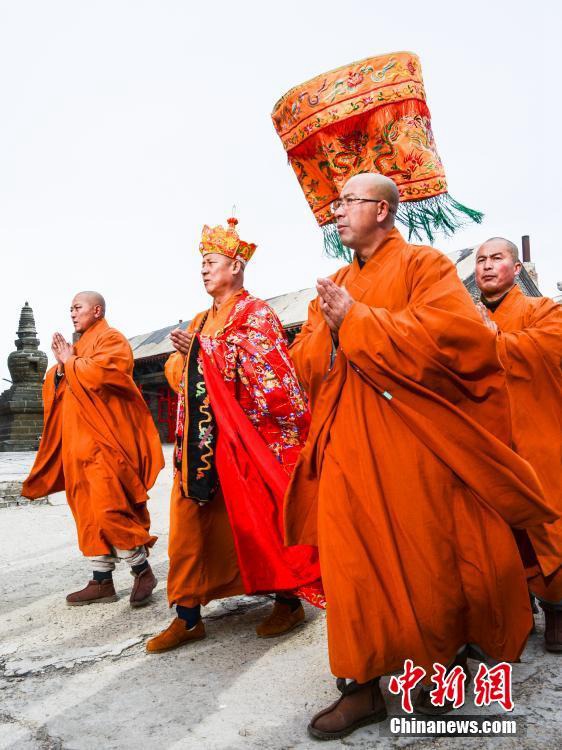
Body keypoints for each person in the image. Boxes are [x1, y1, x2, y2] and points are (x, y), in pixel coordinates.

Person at [283, 174, 557, 740]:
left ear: (382, 210)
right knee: (352, 568)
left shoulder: (425, 267)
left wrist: (357, 321)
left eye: (347, 203)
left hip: (413, 446)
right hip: (347, 448)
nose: (335, 214)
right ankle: (359, 686)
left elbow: (455, 340)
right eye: (335, 205)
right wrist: (331, 333)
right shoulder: (334, 281)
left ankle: (428, 679)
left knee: (424, 564)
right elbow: (304, 361)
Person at [146, 217, 322, 654]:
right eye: (201, 263)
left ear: (236, 266)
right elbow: (176, 372)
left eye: (212, 262)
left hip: (248, 439)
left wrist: (205, 352)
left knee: (263, 518)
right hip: (201, 441)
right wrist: (189, 358)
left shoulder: (255, 312)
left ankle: (288, 599)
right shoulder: (201, 318)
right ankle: (187, 617)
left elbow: (271, 373)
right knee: (190, 525)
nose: (204, 270)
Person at [23, 291, 164, 606]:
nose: (72, 312)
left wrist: (71, 361)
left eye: (78, 307)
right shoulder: (80, 346)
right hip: (76, 445)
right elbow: (57, 385)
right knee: (85, 511)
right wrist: (59, 370)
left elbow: (105, 375)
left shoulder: (112, 339)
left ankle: (142, 570)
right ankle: (101, 580)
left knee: (109, 507)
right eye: (70, 308)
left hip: (103, 444)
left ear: (97, 310)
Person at [475, 237, 562, 652]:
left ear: (515, 268)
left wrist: (493, 339)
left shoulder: (541, 309)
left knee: (547, 523)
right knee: (499, 534)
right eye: (481, 260)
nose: (488, 266)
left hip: (536, 434)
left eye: (497, 258)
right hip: (488, 443)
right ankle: (518, 610)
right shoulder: (461, 315)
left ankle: (558, 609)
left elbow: (551, 346)